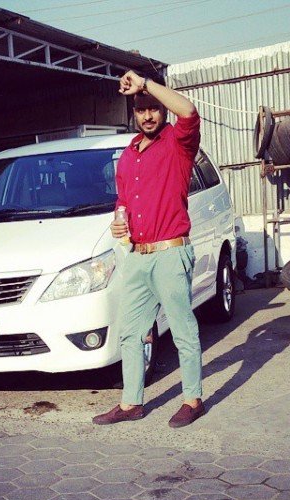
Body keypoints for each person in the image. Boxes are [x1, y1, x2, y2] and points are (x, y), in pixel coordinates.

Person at [92, 70, 204, 428]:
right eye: (141, 109)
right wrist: (116, 224)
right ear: (134, 113)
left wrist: (146, 84)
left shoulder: (178, 142)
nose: (148, 115)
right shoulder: (127, 155)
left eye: (154, 108)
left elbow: (188, 111)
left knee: (183, 328)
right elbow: (124, 202)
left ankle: (192, 399)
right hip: (137, 256)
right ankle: (131, 404)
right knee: (130, 332)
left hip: (171, 253)